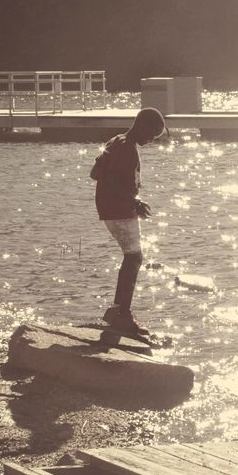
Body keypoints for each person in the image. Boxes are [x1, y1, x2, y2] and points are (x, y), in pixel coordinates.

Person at [90, 107, 166, 336]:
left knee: (133, 258)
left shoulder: (118, 141)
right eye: (152, 135)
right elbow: (105, 177)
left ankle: (118, 312)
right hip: (118, 210)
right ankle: (121, 314)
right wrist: (133, 201)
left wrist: (134, 200)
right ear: (142, 126)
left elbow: (97, 172)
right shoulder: (125, 148)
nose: (151, 140)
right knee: (134, 258)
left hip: (113, 208)